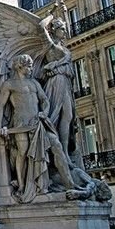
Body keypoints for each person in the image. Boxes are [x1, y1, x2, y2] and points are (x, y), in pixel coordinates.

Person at [0, 54, 75, 203]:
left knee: (55, 144)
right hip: (20, 124)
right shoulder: (9, 84)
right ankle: (22, 186)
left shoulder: (35, 83)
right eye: (29, 66)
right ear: (19, 66)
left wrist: (44, 111)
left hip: (38, 124)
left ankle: (70, 184)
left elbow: (45, 100)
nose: (31, 69)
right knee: (23, 152)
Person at [40, 15, 75, 161]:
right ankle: (59, 152)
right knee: (58, 115)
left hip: (66, 82)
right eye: (62, 29)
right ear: (54, 30)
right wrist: (51, 15)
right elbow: (41, 25)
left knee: (68, 116)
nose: (65, 32)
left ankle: (65, 151)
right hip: (56, 82)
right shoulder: (49, 45)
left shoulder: (62, 47)